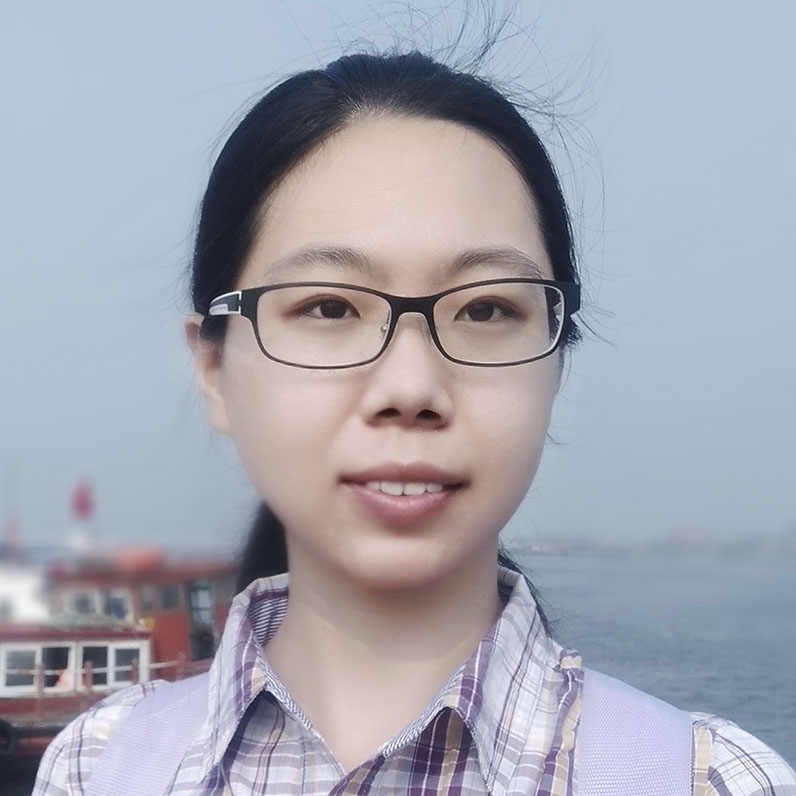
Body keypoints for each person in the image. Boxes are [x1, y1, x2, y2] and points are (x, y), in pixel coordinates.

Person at [34, 50, 795, 796]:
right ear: (213, 369)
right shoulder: (97, 767)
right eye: (329, 306)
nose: (410, 387)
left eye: (486, 309)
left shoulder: (712, 780)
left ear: (556, 364)